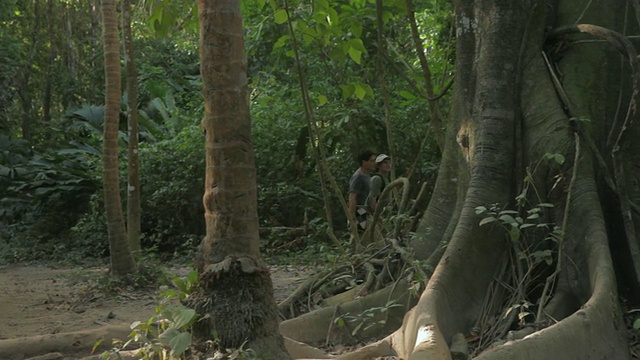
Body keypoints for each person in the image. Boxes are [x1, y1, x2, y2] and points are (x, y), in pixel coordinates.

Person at [348, 149, 377, 231]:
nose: (374, 163)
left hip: (366, 211)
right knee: (360, 234)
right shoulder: (358, 177)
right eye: (372, 161)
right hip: (359, 211)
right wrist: (352, 217)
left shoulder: (367, 175)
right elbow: (352, 197)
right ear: (364, 162)